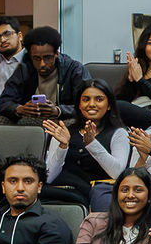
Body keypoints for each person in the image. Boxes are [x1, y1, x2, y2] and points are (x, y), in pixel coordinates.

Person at [43, 81, 132, 211]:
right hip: (59, 191)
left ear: (109, 105)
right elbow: (49, 177)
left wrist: (92, 144)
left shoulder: (118, 133)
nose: (91, 104)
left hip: (94, 195)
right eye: (85, 99)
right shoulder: (64, 132)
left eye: (99, 99)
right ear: (79, 105)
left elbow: (117, 173)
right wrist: (63, 146)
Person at [0, 25, 90, 123]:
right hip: (29, 118)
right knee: (0, 121)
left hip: (62, 119)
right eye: (36, 58)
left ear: (56, 54)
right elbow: (3, 103)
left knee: (72, 123)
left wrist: (58, 110)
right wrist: (19, 109)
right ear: (30, 56)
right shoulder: (24, 69)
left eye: (47, 57)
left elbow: (87, 105)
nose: (42, 64)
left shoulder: (74, 69)